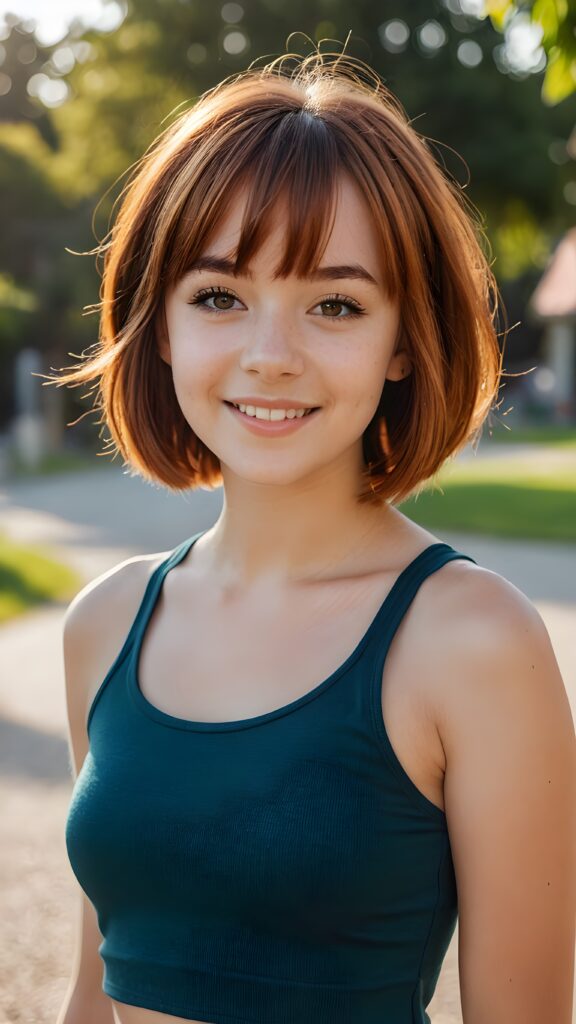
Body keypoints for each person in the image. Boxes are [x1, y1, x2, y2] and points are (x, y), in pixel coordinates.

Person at [52, 47, 575, 1024]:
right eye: (219, 297)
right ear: (159, 323)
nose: (270, 356)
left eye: (335, 303)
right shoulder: (106, 622)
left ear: (405, 339)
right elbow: (95, 996)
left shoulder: (474, 642)